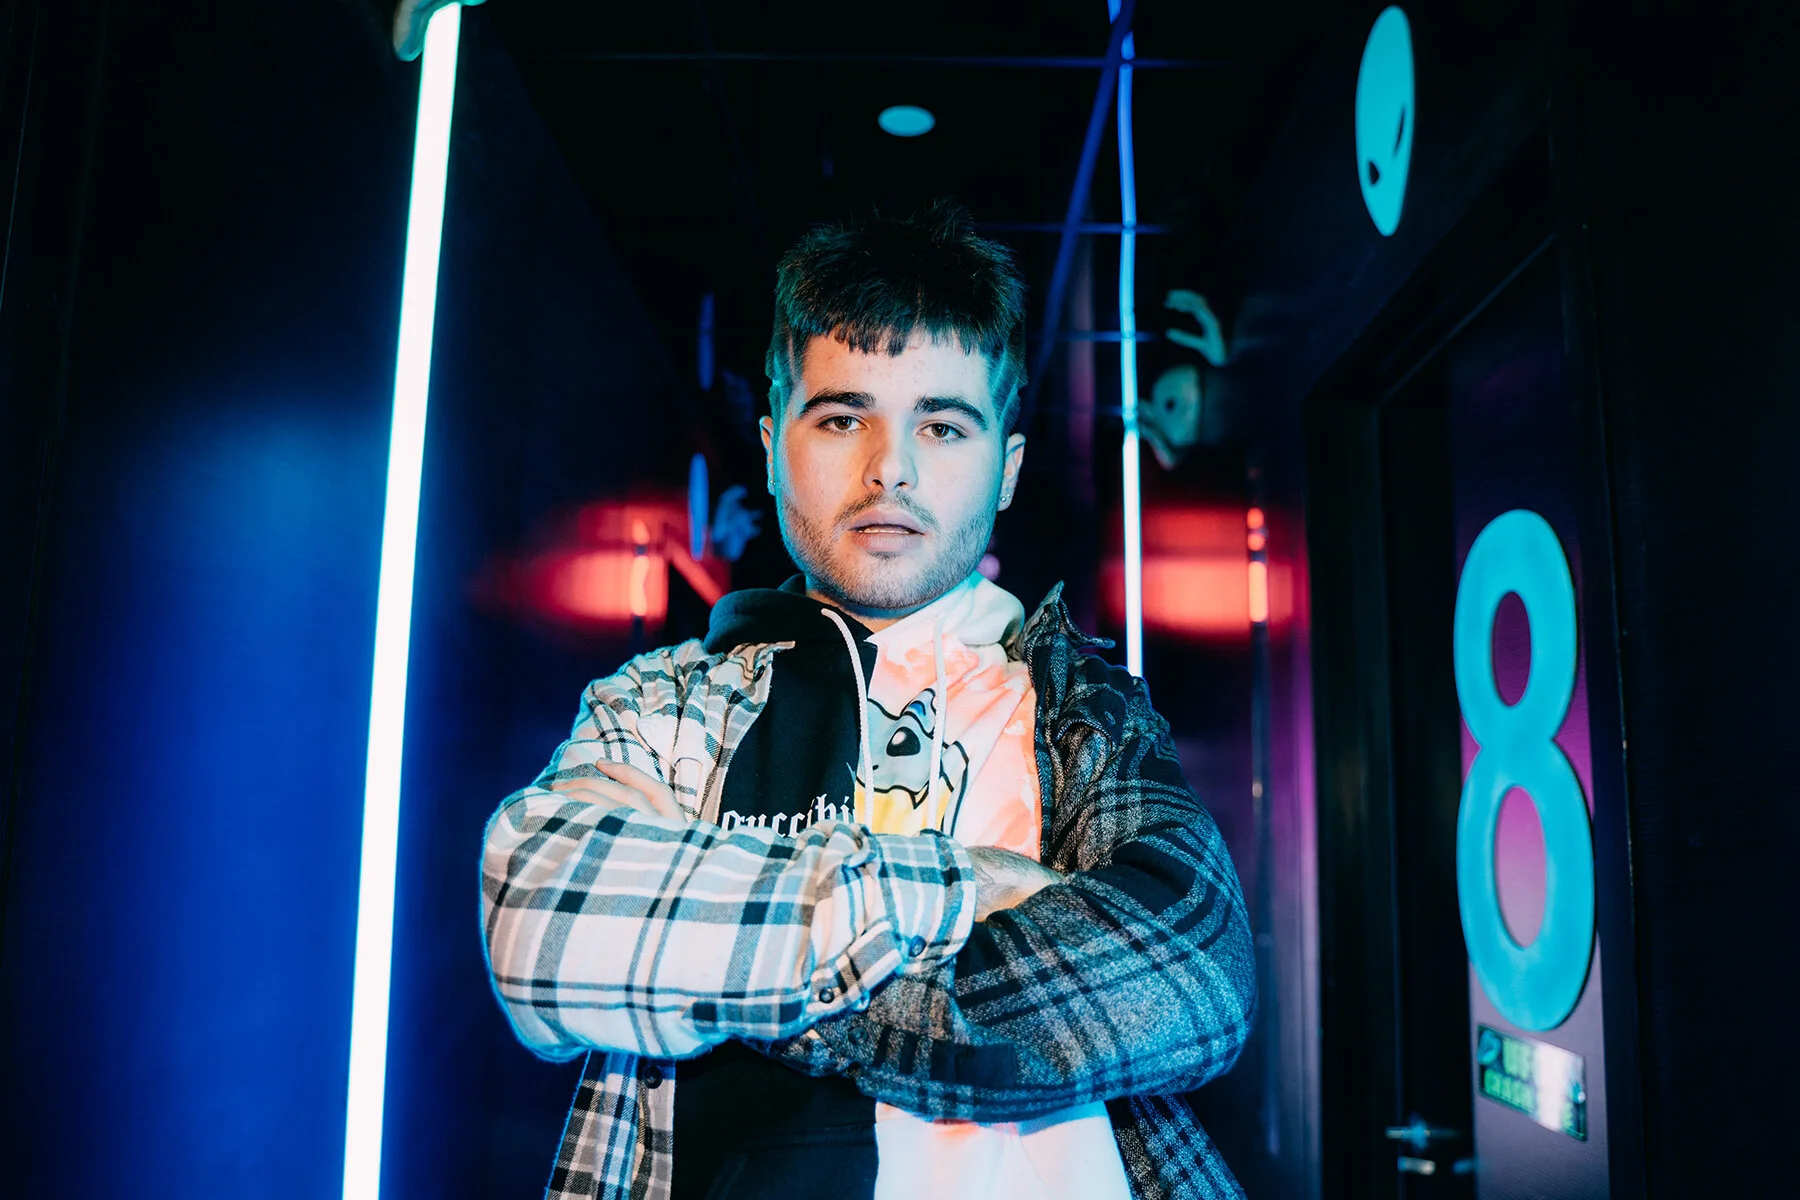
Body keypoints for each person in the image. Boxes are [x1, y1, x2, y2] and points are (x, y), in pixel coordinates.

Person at [481, 202, 1256, 1200]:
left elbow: (1193, 975)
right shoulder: (664, 701)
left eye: (943, 424)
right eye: (843, 418)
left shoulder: (1083, 708)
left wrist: (738, 976)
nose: (891, 467)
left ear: (1009, 469)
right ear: (773, 446)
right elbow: (541, 927)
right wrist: (966, 888)